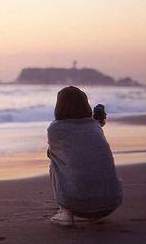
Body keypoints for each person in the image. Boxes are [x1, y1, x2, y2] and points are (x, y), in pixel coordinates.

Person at [47, 86, 122, 226]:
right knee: (89, 155)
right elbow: (84, 137)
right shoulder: (94, 126)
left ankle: (65, 213)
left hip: (78, 205)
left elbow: (52, 153)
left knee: (54, 160)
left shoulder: (55, 129)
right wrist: (97, 121)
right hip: (111, 203)